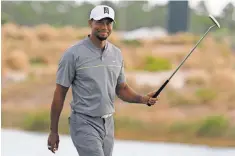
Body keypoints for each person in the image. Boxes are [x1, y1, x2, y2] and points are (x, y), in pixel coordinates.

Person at [47, 5, 158, 156]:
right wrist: (53, 131)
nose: (104, 27)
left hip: (108, 124)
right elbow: (60, 93)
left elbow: (122, 89)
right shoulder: (73, 54)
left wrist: (144, 99)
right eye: (100, 22)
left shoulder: (116, 54)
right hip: (83, 122)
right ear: (90, 23)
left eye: (108, 23)